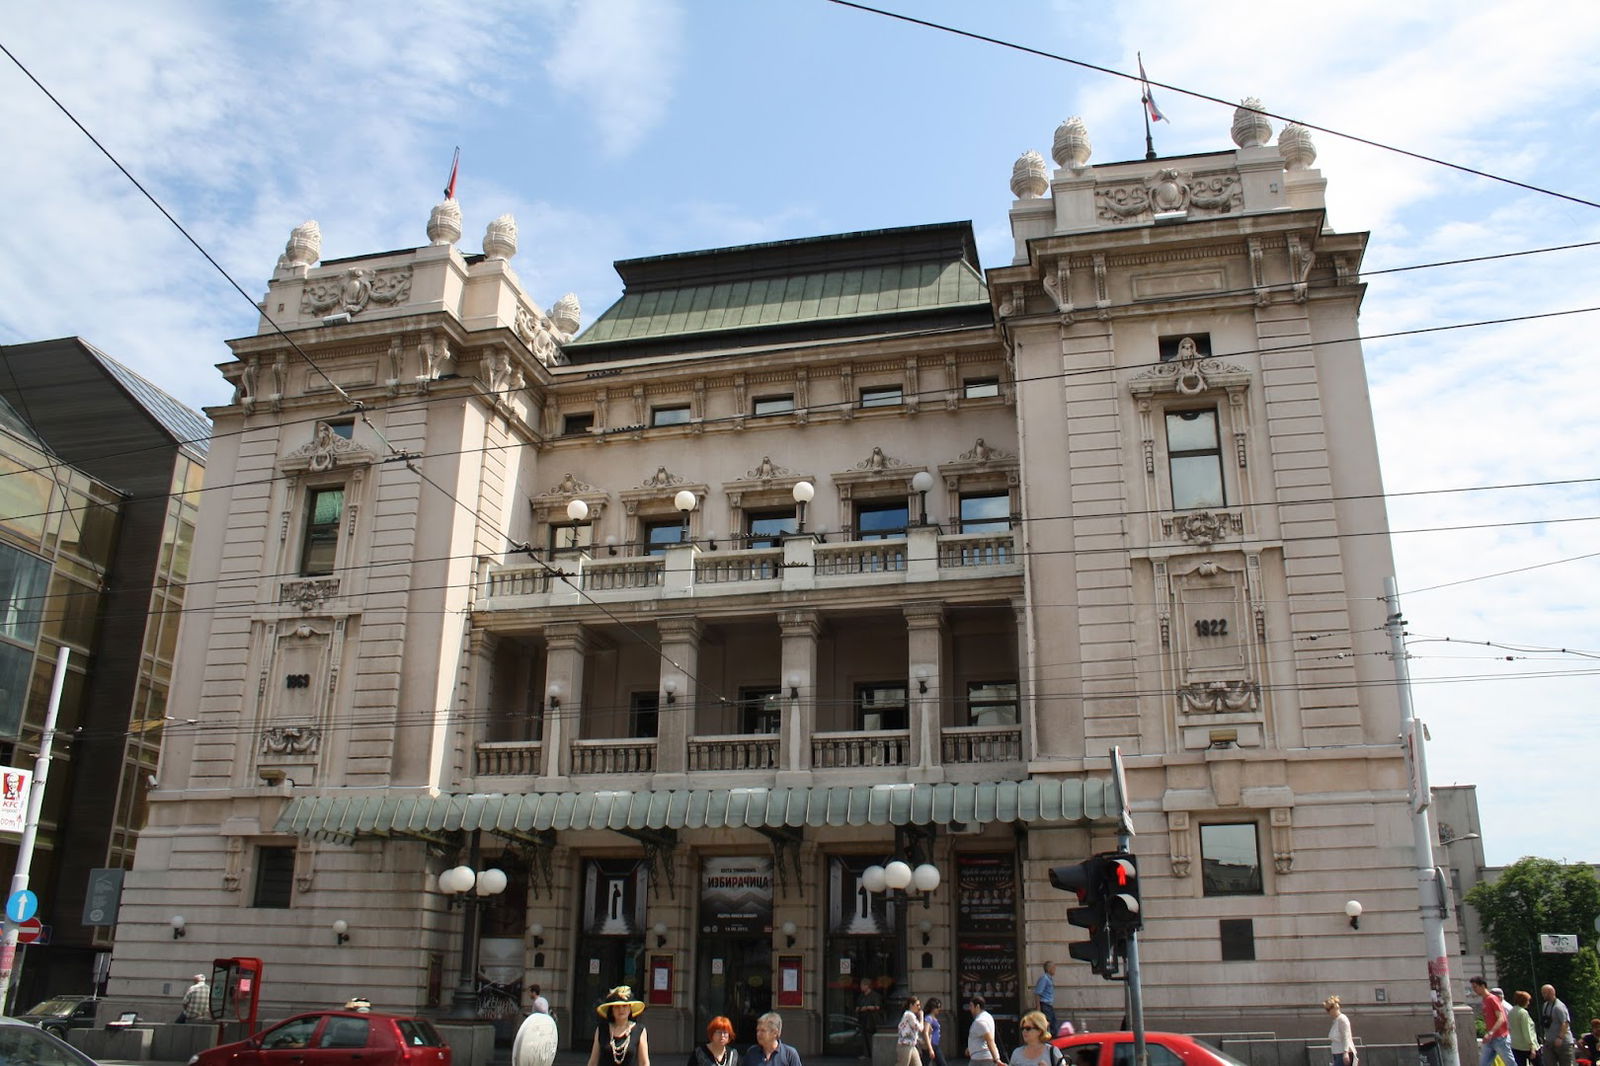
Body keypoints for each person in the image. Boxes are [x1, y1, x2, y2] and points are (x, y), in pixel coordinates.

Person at [587, 985, 650, 1066]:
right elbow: (593, 1061)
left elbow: (644, 1063)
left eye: (624, 1006)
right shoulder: (601, 1030)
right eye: (617, 1007)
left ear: (630, 1008)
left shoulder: (639, 1030)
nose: (621, 1010)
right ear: (612, 1010)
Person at [1473, 976, 1516, 1066]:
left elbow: (1501, 1018)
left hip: (1500, 1038)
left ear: (1483, 986)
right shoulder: (1484, 1000)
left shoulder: (1492, 999)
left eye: (1475, 987)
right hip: (1490, 1039)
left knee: (1510, 1063)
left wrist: (1490, 1032)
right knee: (1483, 1063)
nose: (1474, 990)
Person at [1540, 985, 1573, 1066]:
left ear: (1551, 992)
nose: (1543, 995)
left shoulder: (1559, 1006)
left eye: (1544, 993)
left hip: (1563, 1043)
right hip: (1549, 1042)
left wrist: (1560, 1037)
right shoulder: (1545, 1005)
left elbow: (1565, 1022)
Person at [967, 996, 1000, 1066]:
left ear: (977, 1006)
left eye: (971, 1006)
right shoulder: (988, 1017)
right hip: (983, 1057)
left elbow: (989, 1040)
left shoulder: (980, 1021)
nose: (969, 1008)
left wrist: (996, 1059)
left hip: (980, 1059)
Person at [1323, 996, 1355, 1066]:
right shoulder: (1336, 1021)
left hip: (1342, 1054)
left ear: (1333, 1008)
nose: (1328, 1012)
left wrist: (1345, 1053)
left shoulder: (1342, 1019)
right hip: (1337, 1054)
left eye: (1328, 1010)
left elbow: (1346, 1037)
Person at [1510, 992, 1537, 1066]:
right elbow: (1527, 1031)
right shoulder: (1523, 1013)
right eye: (1527, 1000)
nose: (1528, 1003)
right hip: (1526, 1046)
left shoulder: (1511, 1011)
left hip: (1515, 1045)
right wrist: (1532, 1046)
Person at [896, 997, 925, 1066]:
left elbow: (911, 1031)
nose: (919, 1007)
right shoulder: (909, 1015)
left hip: (911, 1045)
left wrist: (919, 1040)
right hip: (905, 1046)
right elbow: (920, 1028)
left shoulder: (911, 1015)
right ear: (911, 1005)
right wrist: (921, 1017)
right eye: (917, 1005)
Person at [1034, 962, 1058, 1036]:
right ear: (1048, 969)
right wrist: (1038, 1007)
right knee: (1047, 1025)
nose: (1055, 970)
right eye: (1053, 968)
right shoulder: (1044, 979)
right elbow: (1037, 993)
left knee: (1053, 1025)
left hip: (1049, 1005)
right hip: (1045, 1005)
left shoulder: (1049, 979)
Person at [922, 997, 947, 1066]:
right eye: (938, 1007)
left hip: (935, 1045)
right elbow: (926, 1032)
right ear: (933, 1008)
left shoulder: (933, 1018)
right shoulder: (929, 1018)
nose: (939, 1009)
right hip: (930, 1045)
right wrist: (930, 1049)